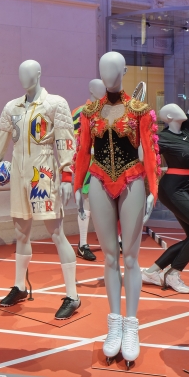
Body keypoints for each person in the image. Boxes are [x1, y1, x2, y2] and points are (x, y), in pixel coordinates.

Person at [73, 52, 161, 366]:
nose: (107, 74)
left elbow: (150, 151)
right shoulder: (90, 110)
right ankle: (114, 324)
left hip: (132, 179)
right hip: (98, 179)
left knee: (132, 257)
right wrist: (75, 187)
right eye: (102, 68)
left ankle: (132, 326)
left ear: (124, 71)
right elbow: (83, 149)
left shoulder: (140, 109)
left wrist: (153, 188)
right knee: (110, 256)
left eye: (113, 68)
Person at [0, 60, 80, 320]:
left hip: (43, 173)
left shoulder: (55, 104)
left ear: (38, 74)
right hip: (19, 172)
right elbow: (1, 135)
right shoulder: (11, 107)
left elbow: (65, 139)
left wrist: (68, 174)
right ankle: (19, 285)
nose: (23, 76)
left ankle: (73, 294)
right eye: (20, 72)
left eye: (28, 72)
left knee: (56, 231)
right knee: (20, 231)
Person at [142, 52, 189, 294]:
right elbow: (143, 158)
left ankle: (152, 271)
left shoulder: (185, 128)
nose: (181, 108)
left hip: (188, 187)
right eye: (173, 108)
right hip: (172, 189)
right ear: (167, 117)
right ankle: (173, 273)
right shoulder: (161, 138)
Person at [71, 79, 106, 261]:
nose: (104, 90)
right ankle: (83, 244)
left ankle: (111, 240)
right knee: (85, 203)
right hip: (88, 163)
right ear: (91, 89)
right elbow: (77, 142)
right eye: (100, 86)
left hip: (105, 164)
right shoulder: (80, 112)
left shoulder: (107, 111)